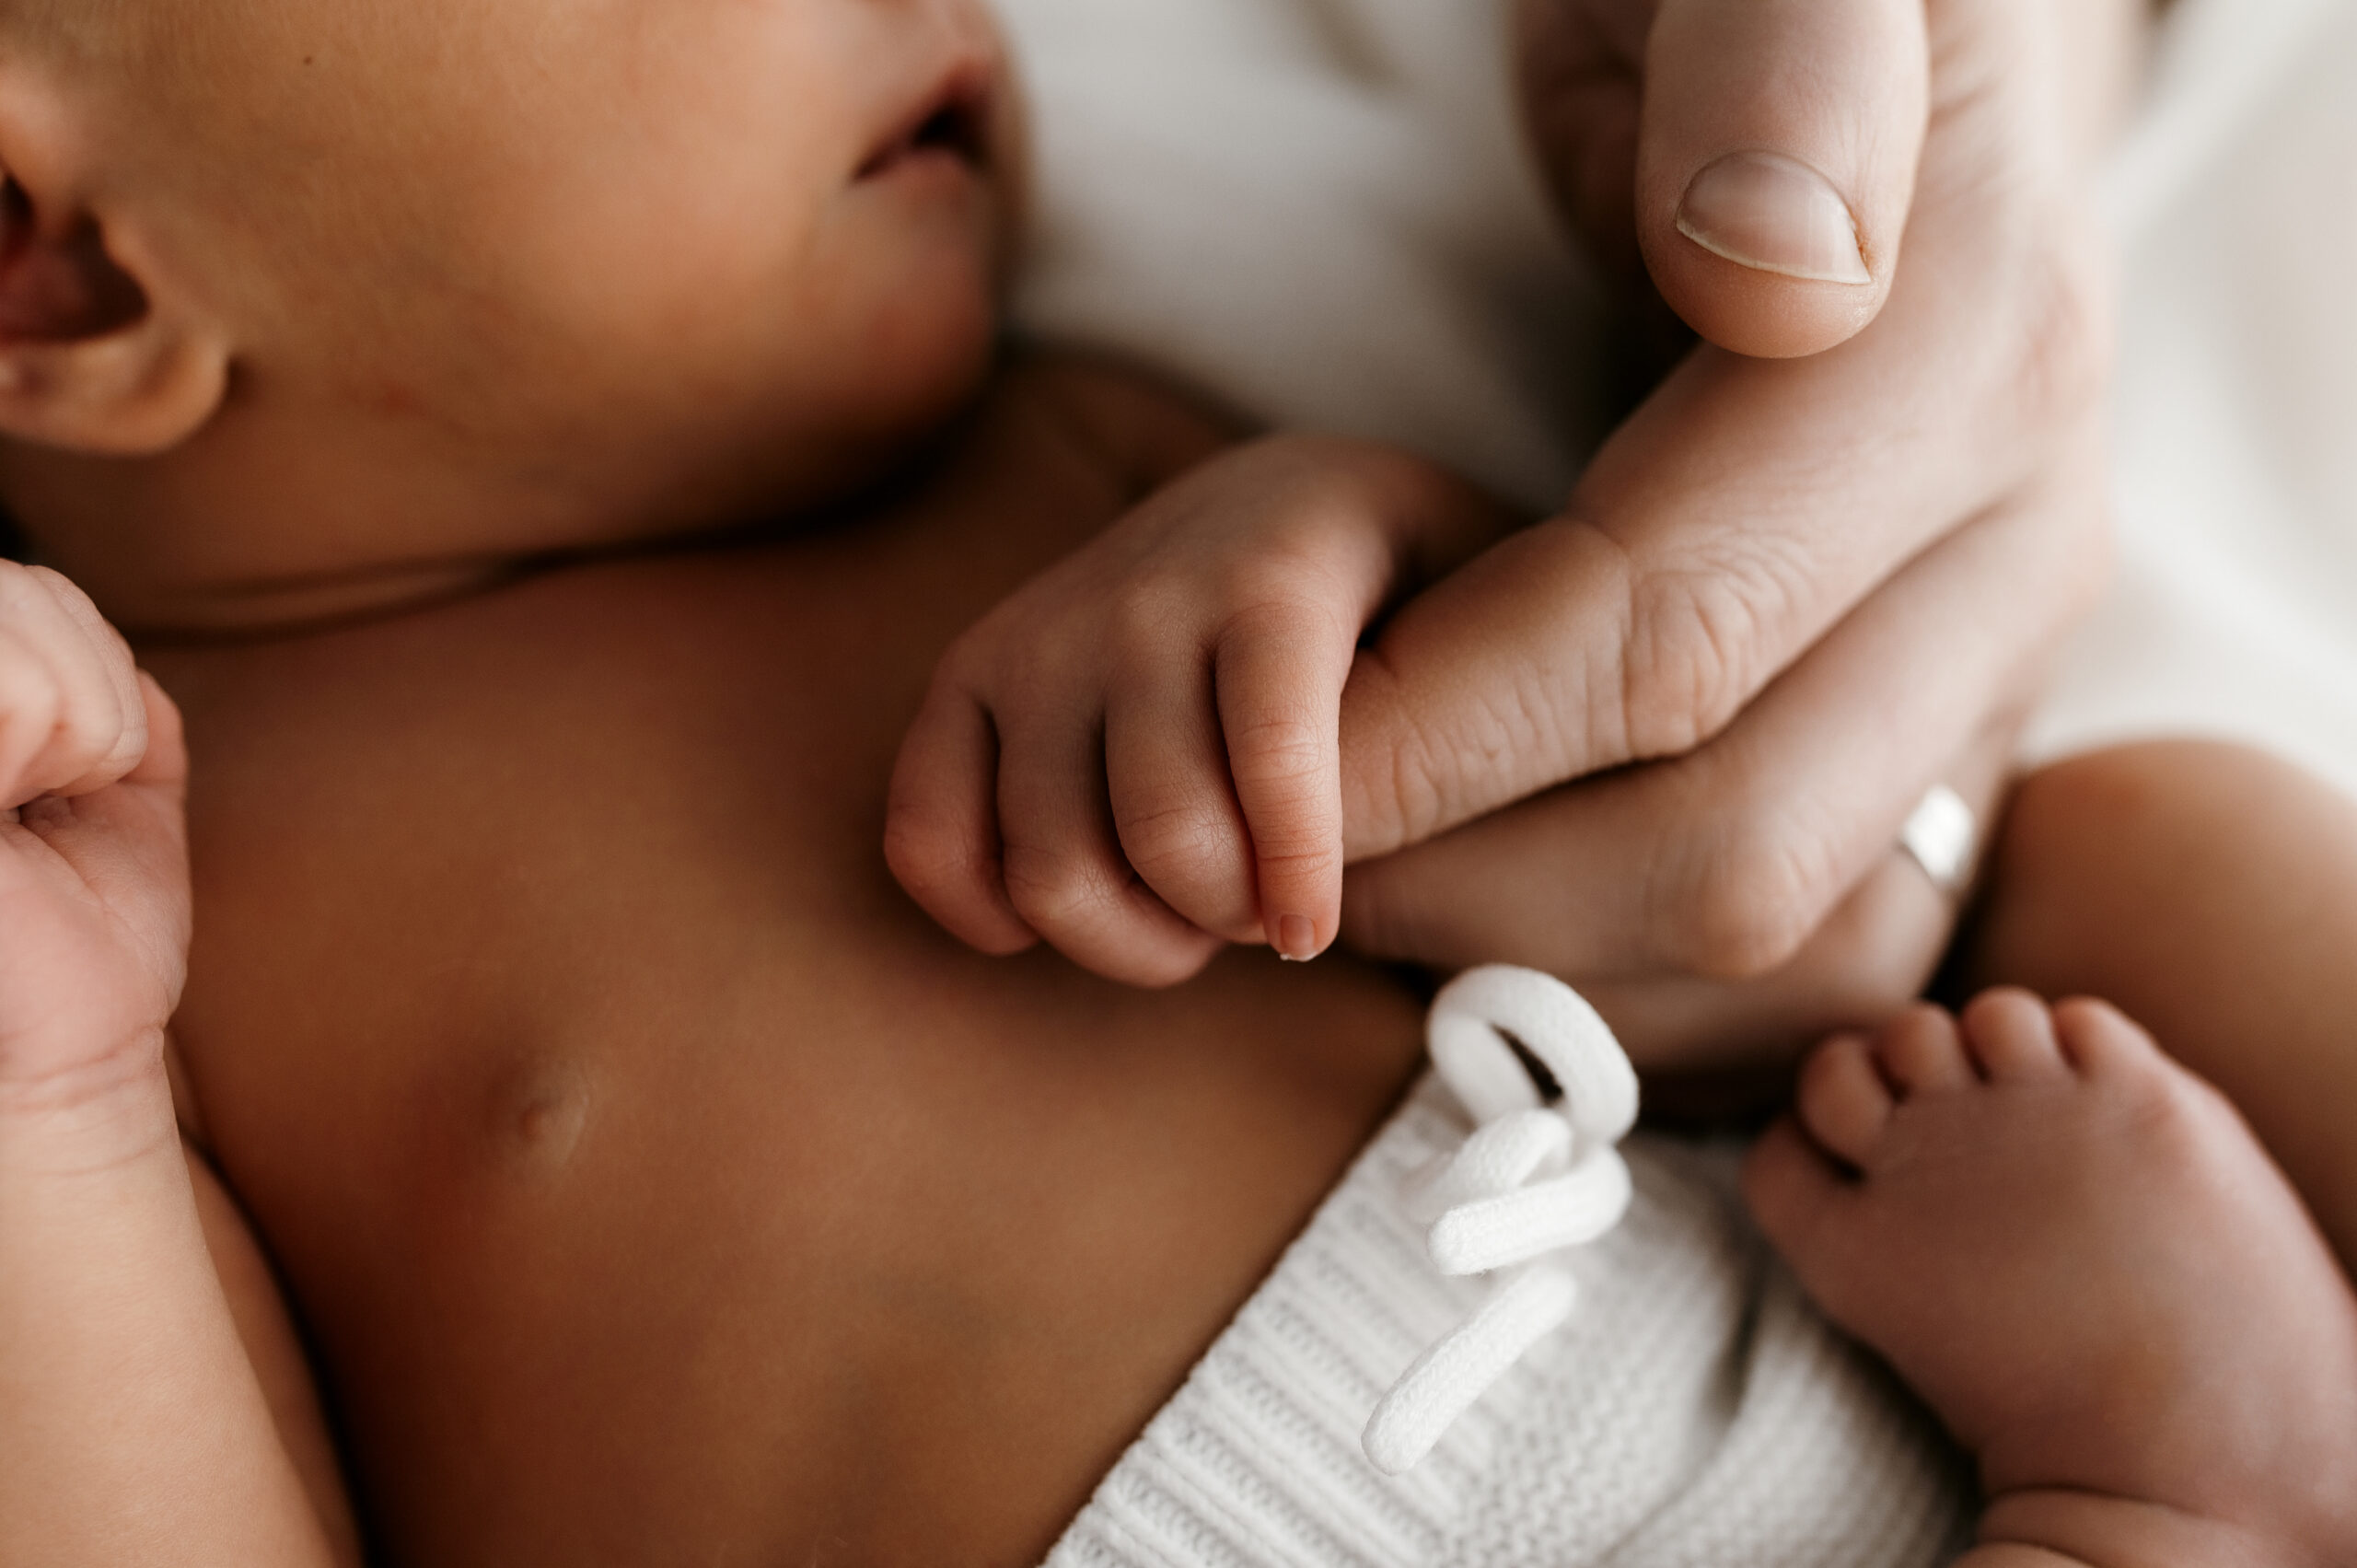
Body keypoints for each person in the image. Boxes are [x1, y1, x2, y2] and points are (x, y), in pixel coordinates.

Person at [0, 5, 2310, 1568]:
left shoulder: (1046, 455)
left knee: (2158, 846)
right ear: (51, 272)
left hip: (1759, 1405)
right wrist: (49, 1105)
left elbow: (1669, 849)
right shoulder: (137, 915)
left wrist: (1307, 554)